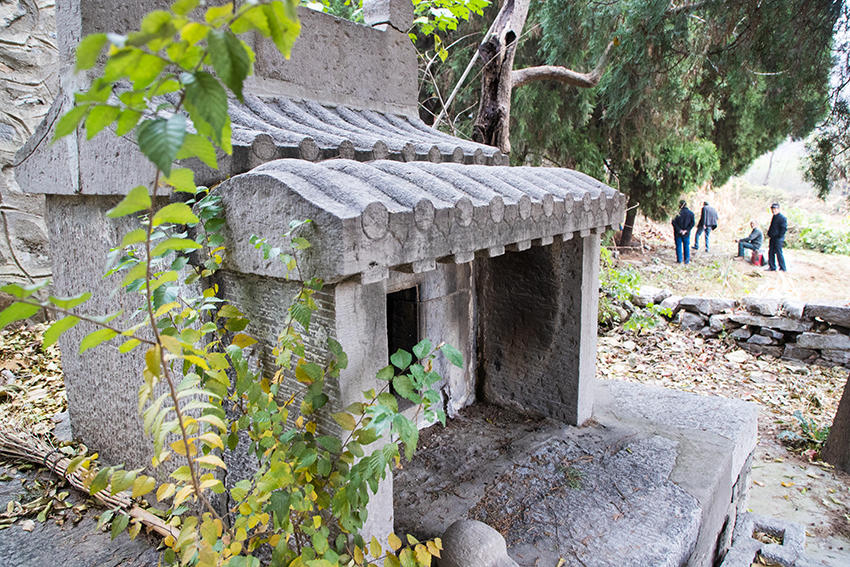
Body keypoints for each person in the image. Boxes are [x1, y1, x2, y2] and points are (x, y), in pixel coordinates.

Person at [671, 199, 695, 264]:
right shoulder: (691, 213)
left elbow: (673, 222)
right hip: (686, 233)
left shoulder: (676, 213)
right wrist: (686, 230)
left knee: (678, 246)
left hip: (677, 233)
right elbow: (692, 223)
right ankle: (686, 260)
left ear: (680, 205)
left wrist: (679, 230)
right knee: (686, 246)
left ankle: (679, 260)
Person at [766, 202, 787, 271]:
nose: (774, 210)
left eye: (775, 209)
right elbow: (772, 227)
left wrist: (779, 236)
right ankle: (772, 267)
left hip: (778, 238)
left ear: (778, 209)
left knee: (779, 253)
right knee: (771, 252)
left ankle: (783, 268)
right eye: (772, 209)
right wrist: (769, 233)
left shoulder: (782, 218)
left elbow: (783, 229)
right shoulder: (774, 217)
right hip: (772, 238)